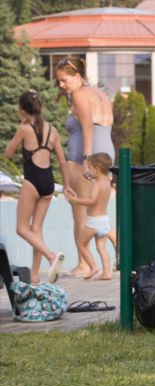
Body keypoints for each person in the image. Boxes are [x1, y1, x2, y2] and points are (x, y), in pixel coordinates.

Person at [54, 56, 115, 278]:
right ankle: (113, 258)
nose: (61, 85)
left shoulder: (79, 95)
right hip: (107, 148)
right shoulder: (100, 94)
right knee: (100, 212)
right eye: (59, 81)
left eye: (64, 80)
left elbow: (87, 125)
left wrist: (86, 158)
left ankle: (84, 264)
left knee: (80, 212)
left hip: (85, 154)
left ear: (77, 75)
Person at [4, 90, 68, 283]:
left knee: (22, 229)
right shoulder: (52, 130)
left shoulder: (25, 128)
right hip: (48, 181)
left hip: (32, 180)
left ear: (22, 109)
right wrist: (66, 186)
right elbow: (62, 161)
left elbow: (8, 153)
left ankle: (50, 255)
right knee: (36, 228)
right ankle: (35, 276)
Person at [65, 152, 114, 280]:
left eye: (90, 168)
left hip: (94, 222)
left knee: (81, 243)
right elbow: (96, 180)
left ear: (97, 169)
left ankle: (93, 267)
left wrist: (74, 200)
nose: (89, 171)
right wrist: (91, 178)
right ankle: (107, 272)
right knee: (101, 248)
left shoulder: (97, 185)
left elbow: (92, 201)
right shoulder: (107, 182)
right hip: (104, 221)